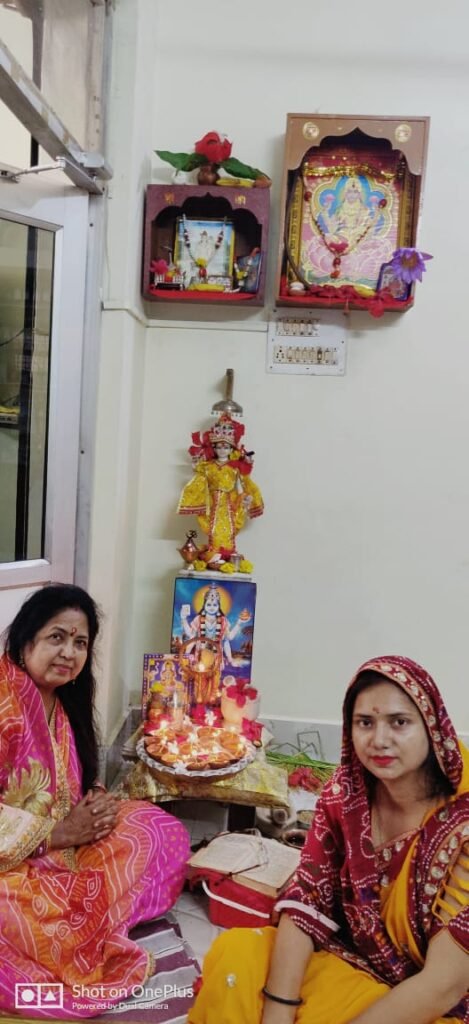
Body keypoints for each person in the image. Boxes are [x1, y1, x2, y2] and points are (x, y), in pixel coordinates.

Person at [189, 655, 469, 1024]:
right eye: (364, 722)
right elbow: (307, 900)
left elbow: (443, 986)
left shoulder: (462, 826)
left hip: (426, 1003)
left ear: (431, 727)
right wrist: (278, 1011)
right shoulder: (346, 795)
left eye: (399, 722)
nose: (379, 740)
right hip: (352, 964)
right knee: (238, 956)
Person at [0, 584, 190, 1019]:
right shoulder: (4, 702)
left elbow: (75, 780)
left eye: (80, 643)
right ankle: (76, 937)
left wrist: (98, 801)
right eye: (57, 637)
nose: (68, 653)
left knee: (160, 832)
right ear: (25, 639)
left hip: (69, 851)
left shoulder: (64, 700)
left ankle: (89, 923)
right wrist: (55, 834)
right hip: (13, 866)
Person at [177, 413, 264, 569]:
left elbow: (244, 483)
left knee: (229, 529)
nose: (222, 450)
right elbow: (200, 479)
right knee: (212, 530)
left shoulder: (235, 467)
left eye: (226, 447)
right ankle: (213, 554)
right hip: (212, 503)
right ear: (214, 448)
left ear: (231, 449)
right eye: (219, 447)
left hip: (230, 503)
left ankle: (227, 554)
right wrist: (196, 466)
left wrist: (247, 498)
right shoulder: (208, 466)